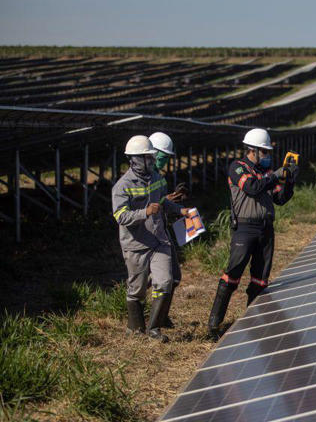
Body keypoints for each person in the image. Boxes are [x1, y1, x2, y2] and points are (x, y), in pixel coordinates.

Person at [208, 128, 298, 339]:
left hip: (266, 229)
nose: (267, 157)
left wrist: (290, 181)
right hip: (245, 229)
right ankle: (214, 325)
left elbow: (280, 199)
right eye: (264, 153)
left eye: (268, 153)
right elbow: (251, 187)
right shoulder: (237, 168)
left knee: (260, 280)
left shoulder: (266, 174)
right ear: (253, 150)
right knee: (232, 276)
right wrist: (275, 176)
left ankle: (252, 321)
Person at [111, 135, 193, 342]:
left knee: (165, 281)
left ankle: (154, 328)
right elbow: (120, 216)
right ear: (135, 159)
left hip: (159, 240)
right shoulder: (122, 186)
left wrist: (179, 210)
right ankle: (135, 327)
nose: (151, 160)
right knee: (136, 289)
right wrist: (144, 212)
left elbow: (163, 203)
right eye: (147, 157)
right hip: (136, 245)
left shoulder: (158, 180)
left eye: (151, 157)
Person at [148, 131, 186, 328]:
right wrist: (166, 202)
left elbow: (160, 201)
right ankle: (149, 321)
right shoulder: (142, 178)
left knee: (174, 277)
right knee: (155, 280)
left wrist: (174, 202)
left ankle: (161, 315)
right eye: (162, 157)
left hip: (162, 230)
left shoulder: (159, 178)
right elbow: (146, 205)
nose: (164, 162)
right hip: (147, 234)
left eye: (166, 158)